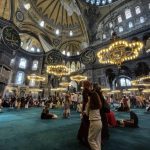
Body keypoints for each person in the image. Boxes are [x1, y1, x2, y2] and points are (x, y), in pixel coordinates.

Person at [77, 80, 91, 147]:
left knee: (84, 123)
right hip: (86, 109)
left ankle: (80, 136)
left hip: (85, 109)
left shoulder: (86, 91)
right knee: (86, 125)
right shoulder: (86, 91)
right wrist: (84, 110)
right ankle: (85, 139)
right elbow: (86, 101)